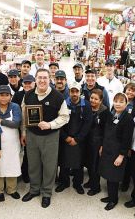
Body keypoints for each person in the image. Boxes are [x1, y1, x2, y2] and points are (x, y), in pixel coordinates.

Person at [21, 69, 69, 208]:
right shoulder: (28, 95)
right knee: (33, 164)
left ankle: (47, 193)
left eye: (45, 78)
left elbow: (65, 117)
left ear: (50, 79)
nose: (42, 80)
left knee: (49, 166)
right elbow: (24, 115)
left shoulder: (57, 97)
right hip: (32, 135)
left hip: (50, 136)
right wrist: (23, 132)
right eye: (39, 78)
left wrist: (50, 124)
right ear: (35, 79)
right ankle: (34, 190)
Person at [99, 93, 135, 211]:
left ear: (126, 104)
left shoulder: (128, 119)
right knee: (108, 174)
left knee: (114, 176)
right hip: (108, 148)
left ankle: (113, 200)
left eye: (121, 102)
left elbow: (127, 140)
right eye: (116, 101)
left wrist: (121, 156)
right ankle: (110, 196)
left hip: (117, 152)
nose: (118, 104)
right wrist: (102, 146)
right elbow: (106, 132)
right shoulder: (111, 115)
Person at [56, 82, 92, 195]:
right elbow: (59, 122)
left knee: (79, 163)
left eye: (77, 91)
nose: (74, 94)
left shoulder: (86, 105)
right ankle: (64, 182)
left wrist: (77, 139)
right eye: (72, 91)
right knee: (64, 162)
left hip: (79, 140)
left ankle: (77, 184)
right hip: (65, 138)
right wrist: (66, 137)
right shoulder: (63, 104)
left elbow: (87, 124)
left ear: (80, 92)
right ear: (69, 92)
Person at [0, 85, 22, 202]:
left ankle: (11, 189)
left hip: (13, 143)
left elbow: (16, 123)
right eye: (1, 95)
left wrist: (0, 121)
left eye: (6, 95)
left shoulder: (15, 107)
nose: (4, 98)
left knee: (12, 164)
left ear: (10, 96)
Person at [84, 89, 110, 196]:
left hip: (98, 142)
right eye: (91, 98)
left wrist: (102, 145)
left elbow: (107, 131)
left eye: (96, 99)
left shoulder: (105, 112)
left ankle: (96, 187)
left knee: (95, 165)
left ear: (101, 100)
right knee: (89, 164)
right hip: (87, 140)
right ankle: (91, 181)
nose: (93, 101)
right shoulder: (87, 108)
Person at [11, 74, 35, 183]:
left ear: (34, 83)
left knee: (29, 153)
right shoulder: (17, 95)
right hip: (19, 127)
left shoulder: (37, 94)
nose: (27, 85)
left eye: (30, 83)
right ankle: (19, 172)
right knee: (19, 152)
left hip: (33, 128)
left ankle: (27, 173)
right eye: (25, 83)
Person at [121, 82, 135, 192]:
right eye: (128, 89)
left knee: (128, 160)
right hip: (119, 132)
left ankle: (125, 182)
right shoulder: (120, 99)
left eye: (133, 90)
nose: (130, 92)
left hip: (131, 134)